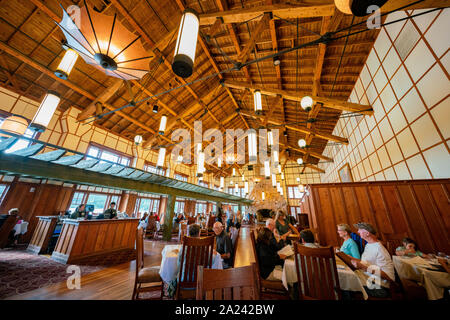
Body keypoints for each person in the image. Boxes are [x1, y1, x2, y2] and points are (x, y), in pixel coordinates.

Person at [350, 222, 395, 298]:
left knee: (348, 286)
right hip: (368, 279)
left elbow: (388, 276)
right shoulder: (369, 244)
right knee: (346, 281)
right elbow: (365, 263)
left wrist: (363, 267)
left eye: (360, 229)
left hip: (379, 287)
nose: (358, 231)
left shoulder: (379, 249)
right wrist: (349, 257)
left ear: (367, 233)